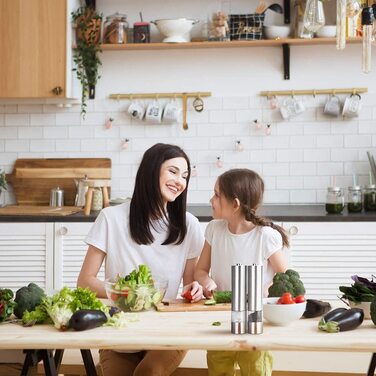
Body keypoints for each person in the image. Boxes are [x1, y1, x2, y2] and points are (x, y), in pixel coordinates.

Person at [77, 143, 205, 376]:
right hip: (120, 329)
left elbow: (189, 285)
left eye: (185, 176)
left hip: (167, 332)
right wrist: (128, 294)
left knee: (147, 373)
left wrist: (195, 289)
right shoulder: (111, 218)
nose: (180, 181)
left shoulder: (189, 225)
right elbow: (85, 281)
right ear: (151, 170)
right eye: (173, 171)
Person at [194, 168, 289, 376]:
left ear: (235, 204)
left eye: (217, 195)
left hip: (255, 322)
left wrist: (264, 289)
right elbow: (200, 270)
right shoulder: (214, 229)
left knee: (255, 370)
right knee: (218, 368)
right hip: (220, 318)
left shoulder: (265, 236)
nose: (211, 199)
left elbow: (286, 279)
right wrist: (207, 281)